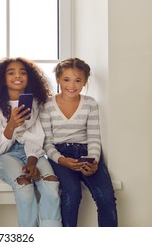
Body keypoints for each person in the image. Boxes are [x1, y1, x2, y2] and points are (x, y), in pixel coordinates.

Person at [0, 57, 62, 227]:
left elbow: (36, 136)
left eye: (23, 72)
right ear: (2, 79)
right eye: (11, 73)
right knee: (25, 188)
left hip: (34, 153)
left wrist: (32, 161)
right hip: (6, 155)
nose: (17, 76)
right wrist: (11, 125)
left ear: (30, 77)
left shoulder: (36, 103)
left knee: (51, 185)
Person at [40, 57, 118, 227]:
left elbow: (94, 138)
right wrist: (62, 160)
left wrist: (94, 161)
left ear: (84, 82)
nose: (72, 85)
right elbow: (47, 143)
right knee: (72, 192)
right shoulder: (47, 105)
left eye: (78, 80)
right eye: (66, 79)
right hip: (59, 156)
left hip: (87, 154)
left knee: (106, 196)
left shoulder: (90, 104)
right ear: (58, 79)